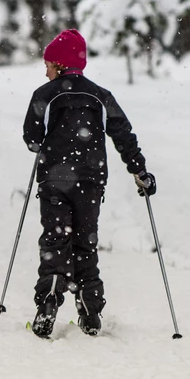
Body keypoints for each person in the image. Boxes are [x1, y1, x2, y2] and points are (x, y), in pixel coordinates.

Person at [21, 29, 156, 339]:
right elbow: (123, 135)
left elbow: (31, 137)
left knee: (56, 240)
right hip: (91, 181)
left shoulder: (45, 94)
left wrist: (42, 143)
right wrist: (140, 171)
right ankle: (90, 310)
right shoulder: (101, 96)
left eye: (47, 64)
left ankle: (49, 302)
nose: (45, 70)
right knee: (85, 242)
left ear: (58, 63)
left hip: (55, 179)